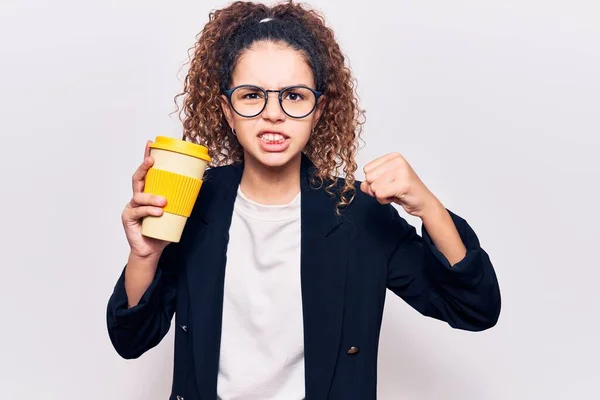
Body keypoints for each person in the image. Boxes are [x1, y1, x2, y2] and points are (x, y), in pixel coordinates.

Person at [106, 1, 501, 399]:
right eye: (251, 95)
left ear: (318, 109)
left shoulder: (356, 212)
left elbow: (474, 308)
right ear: (227, 110)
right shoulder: (195, 201)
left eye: (293, 96)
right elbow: (131, 340)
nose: (273, 114)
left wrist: (428, 207)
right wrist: (145, 255)